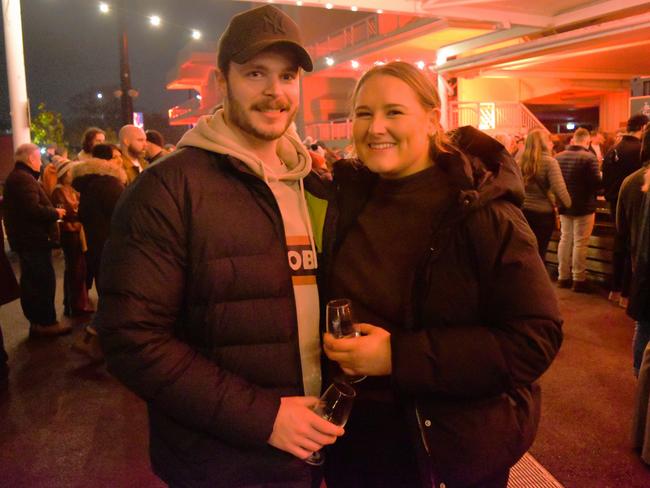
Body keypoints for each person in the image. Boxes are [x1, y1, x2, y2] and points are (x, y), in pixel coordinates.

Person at [95, 5, 343, 487]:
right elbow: (131, 339)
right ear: (220, 81)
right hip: (221, 463)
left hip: (317, 451)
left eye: (287, 76)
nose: (275, 92)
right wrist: (264, 418)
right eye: (255, 73)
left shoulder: (312, 183)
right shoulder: (167, 190)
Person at [321, 62, 563, 488]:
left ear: (432, 119)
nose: (376, 127)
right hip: (357, 442)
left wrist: (398, 356)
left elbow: (533, 339)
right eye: (363, 113)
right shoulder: (349, 201)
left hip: (452, 449)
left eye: (394, 112)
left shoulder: (484, 213)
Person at [3, 143, 69, 336]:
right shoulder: (24, 179)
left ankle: (41, 323)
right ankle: (44, 323)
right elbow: (31, 209)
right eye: (38, 159)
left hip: (30, 239)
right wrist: (54, 212)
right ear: (31, 159)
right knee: (40, 281)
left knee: (37, 280)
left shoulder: (19, 178)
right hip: (32, 240)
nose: (40, 163)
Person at [555, 128, 602, 292]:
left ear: (574, 140)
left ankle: (562, 276)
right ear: (587, 141)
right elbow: (597, 182)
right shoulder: (589, 157)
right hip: (584, 206)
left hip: (564, 205)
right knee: (580, 242)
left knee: (565, 239)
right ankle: (578, 279)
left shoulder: (558, 157)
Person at [519, 128, 571, 259]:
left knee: (527, 251)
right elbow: (559, 189)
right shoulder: (550, 162)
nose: (552, 144)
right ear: (543, 143)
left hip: (523, 212)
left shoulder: (520, 162)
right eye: (549, 141)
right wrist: (568, 204)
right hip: (542, 214)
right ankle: (538, 278)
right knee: (540, 251)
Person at [51, 159, 92, 317]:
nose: (72, 174)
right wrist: (76, 211)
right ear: (64, 174)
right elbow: (66, 212)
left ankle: (75, 302)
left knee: (79, 268)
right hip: (69, 233)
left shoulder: (73, 189)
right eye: (70, 172)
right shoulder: (59, 191)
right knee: (75, 268)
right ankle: (75, 304)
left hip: (77, 231)